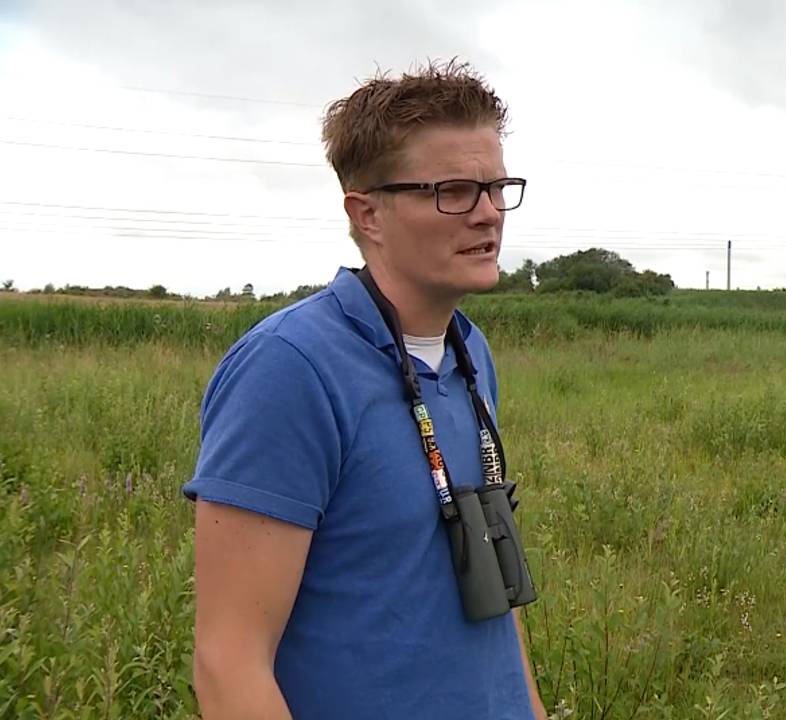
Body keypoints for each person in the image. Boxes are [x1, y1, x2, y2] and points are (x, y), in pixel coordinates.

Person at [182, 60, 546, 719]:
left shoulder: (469, 352)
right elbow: (228, 662)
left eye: (498, 188)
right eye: (455, 191)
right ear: (368, 214)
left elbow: (492, 582)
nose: (489, 214)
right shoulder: (290, 369)